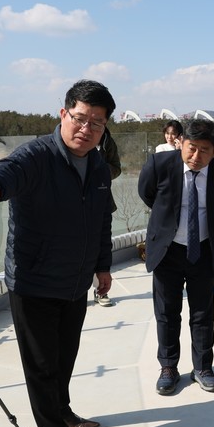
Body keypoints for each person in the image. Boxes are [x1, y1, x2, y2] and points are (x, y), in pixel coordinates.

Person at [0, 79, 116, 427]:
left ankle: (62, 411)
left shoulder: (98, 164)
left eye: (96, 123)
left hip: (76, 281)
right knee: (41, 366)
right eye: (79, 118)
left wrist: (102, 265)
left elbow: (102, 218)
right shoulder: (37, 155)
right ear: (63, 114)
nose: (86, 129)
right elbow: (10, 169)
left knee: (64, 357)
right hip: (34, 282)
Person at [138, 119, 214, 395]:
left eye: (204, 150)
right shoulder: (159, 165)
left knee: (203, 313)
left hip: (203, 249)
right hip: (167, 250)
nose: (196, 156)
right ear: (181, 142)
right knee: (167, 312)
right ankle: (168, 367)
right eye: (191, 148)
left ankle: (203, 367)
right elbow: (148, 194)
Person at [92, 126, 123, 307]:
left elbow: (116, 168)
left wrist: (100, 170)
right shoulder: (71, 140)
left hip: (102, 201)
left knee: (101, 247)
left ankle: (101, 290)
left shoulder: (107, 141)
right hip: (74, 204)